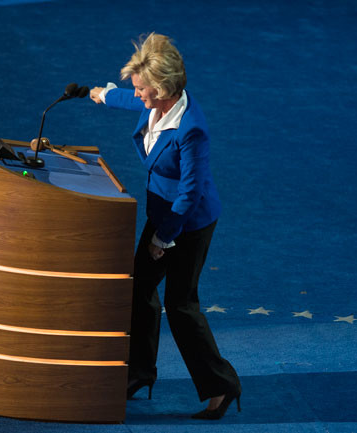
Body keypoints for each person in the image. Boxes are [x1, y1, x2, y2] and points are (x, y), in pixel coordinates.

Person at [90, 33, 241, 420]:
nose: (137, 93)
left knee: (180, 304)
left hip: (188, 224)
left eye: (142, 88)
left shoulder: (191, 129)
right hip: (164, 215)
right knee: (140, 288)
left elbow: (189, 195)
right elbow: (129, 101)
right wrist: (102, 94)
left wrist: (162, 239)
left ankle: (221, 385)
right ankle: (140, 373)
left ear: (162, 89)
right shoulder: (155, 106)